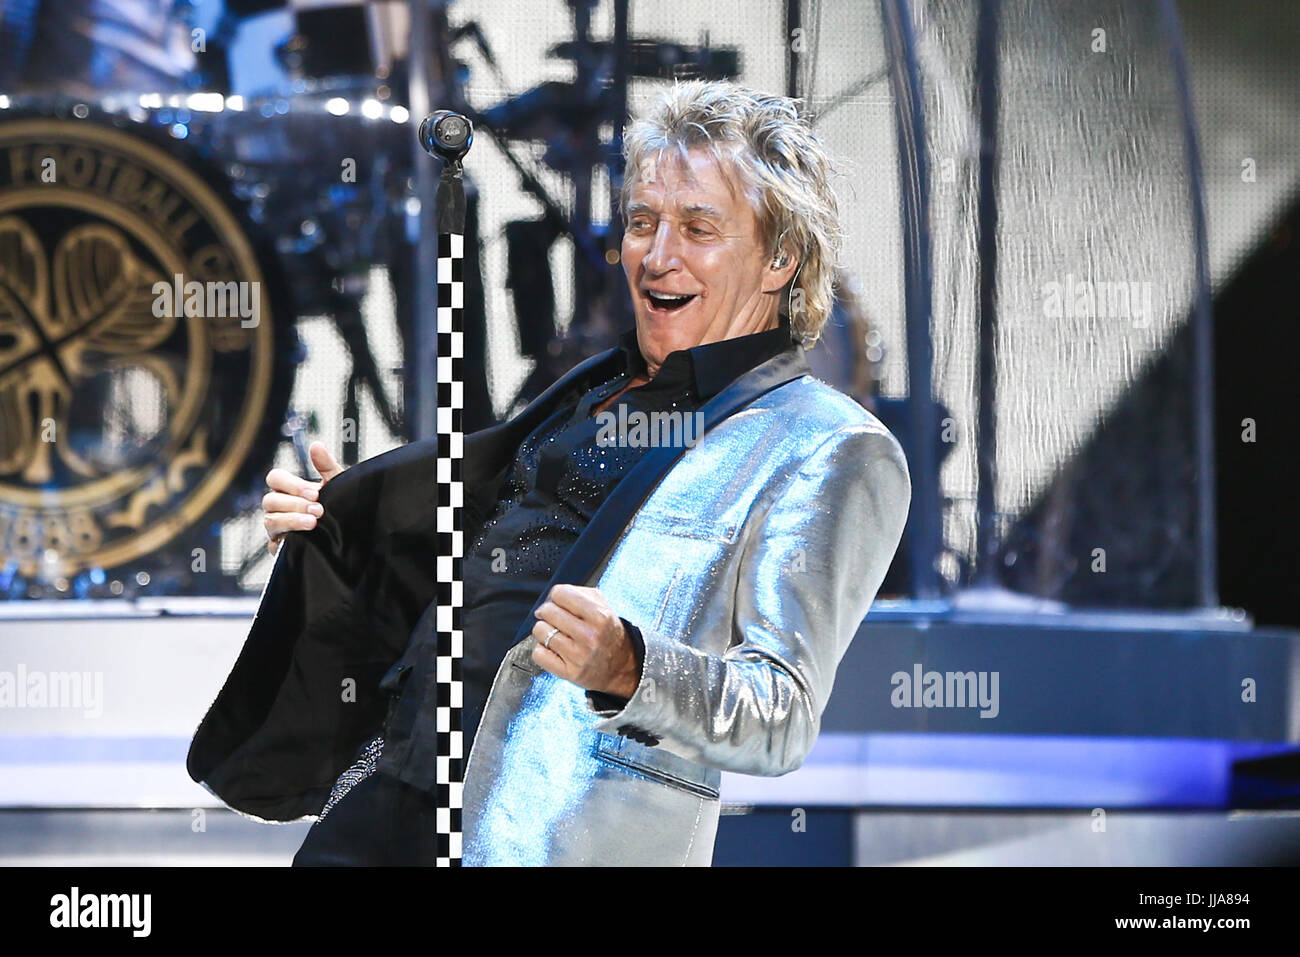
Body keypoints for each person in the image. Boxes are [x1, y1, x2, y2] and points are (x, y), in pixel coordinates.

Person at [188, 79, 911, 866]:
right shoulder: (596, 384)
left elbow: (780, 713)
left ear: (782, 258)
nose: (658, 255)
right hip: (398, 793)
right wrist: (353, 511)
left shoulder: (828, 446)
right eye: (642, 222)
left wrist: (632, 666)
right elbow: (494, 535)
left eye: (699, 227)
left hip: (547, 837)